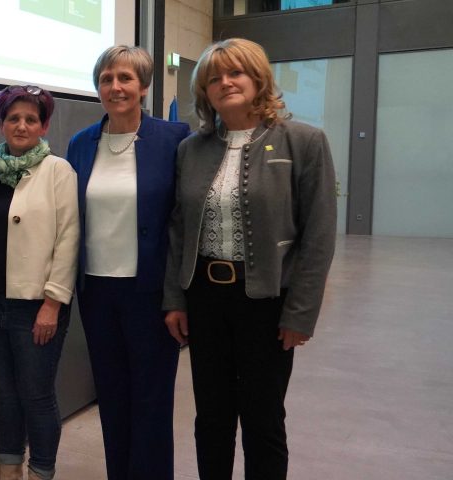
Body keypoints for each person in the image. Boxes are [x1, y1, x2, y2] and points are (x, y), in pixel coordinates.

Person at [164, 38, 337, 480]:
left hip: (267, 302)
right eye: (214, 78)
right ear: (204, 91)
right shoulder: (191, 149)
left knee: (263, 419)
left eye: (235, 72)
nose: (225, 82)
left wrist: (301, 313)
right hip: (205, 299)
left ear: (258, 78)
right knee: (212, 417)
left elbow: (318, 236)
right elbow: (179, 230)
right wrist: (176, 300)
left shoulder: (304, 141)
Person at [65, 46, 190, 480]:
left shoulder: (174, 139)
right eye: (106, 79)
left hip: (151, 292)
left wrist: (177, 297)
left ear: (144, 86)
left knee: (152, 401)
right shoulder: (81, 143)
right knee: (112, 395)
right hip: (97, 291)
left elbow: (183, 221)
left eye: (125, 78)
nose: (115, 87)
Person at [0, 85, 79, 480]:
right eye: (13, 118)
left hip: (35, 307)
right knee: (5, 395)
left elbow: (68, 239)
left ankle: (41, 471)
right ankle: (8, 470)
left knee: (37, 396)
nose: (21, 125)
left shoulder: (58, 170)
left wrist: (53, 303)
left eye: (31, 119)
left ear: (44, 126)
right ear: (2, 124)